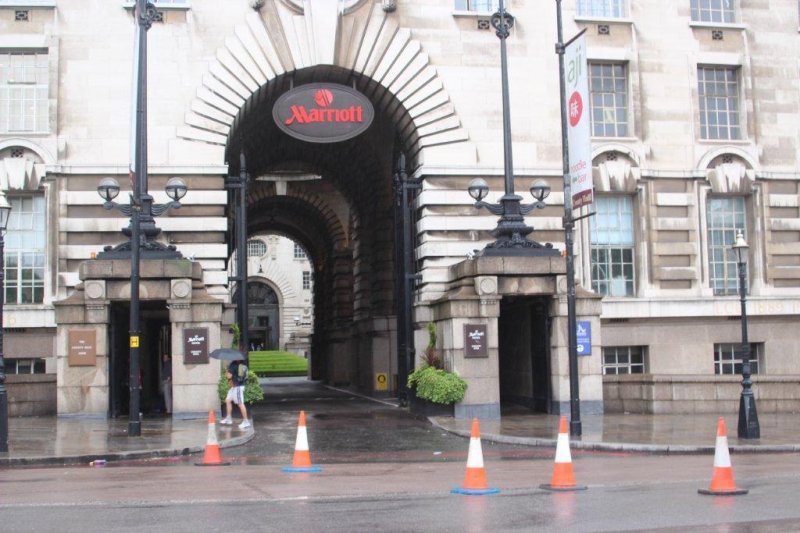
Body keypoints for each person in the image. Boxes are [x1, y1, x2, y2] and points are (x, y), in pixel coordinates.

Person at [221, 359, 251, 429]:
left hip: (237, 387)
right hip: (236, 386)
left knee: (240, 403)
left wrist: (226, 370)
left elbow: (229, 376)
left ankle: (246, 422)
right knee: (228, 400)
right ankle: (228, 418)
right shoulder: (243, 364)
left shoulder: (233, 365)